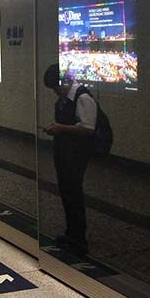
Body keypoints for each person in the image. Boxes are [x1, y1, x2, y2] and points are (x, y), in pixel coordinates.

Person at [43, 64, 97, 256]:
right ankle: (71, 234)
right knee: (66, 192)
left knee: (74, 193)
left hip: (77, 154)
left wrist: (61, 128)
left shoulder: (83, 98)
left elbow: (88, 129)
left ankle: (79, 239)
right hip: (65, 152)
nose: (56, 92)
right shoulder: (63, 100)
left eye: (56, 88)